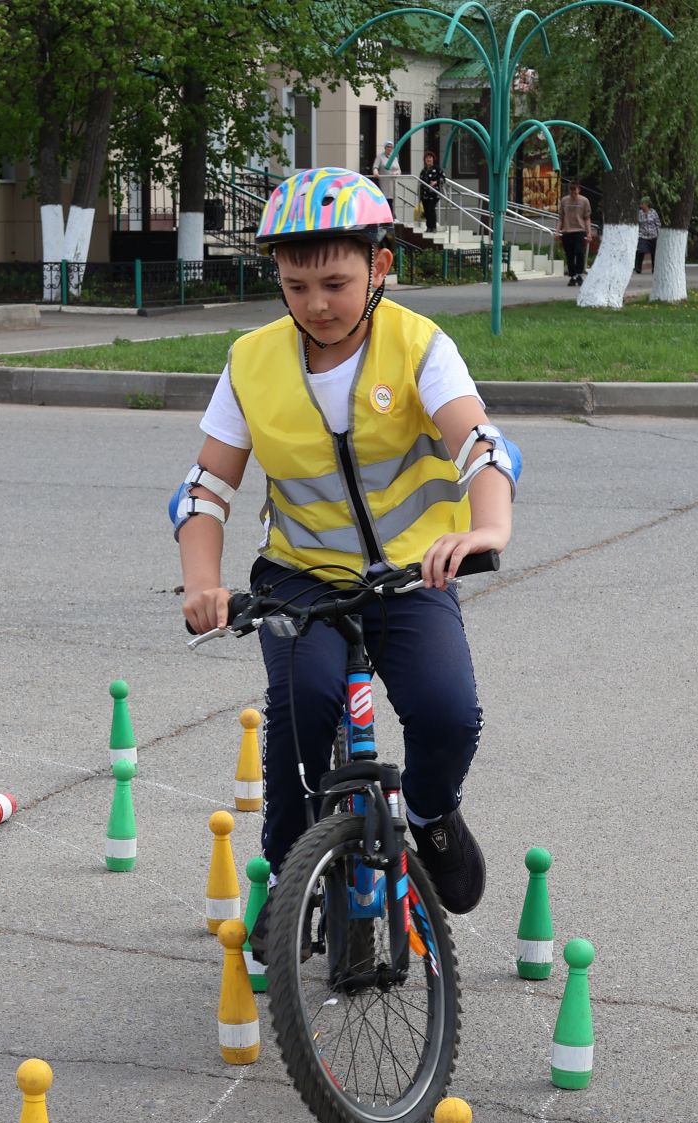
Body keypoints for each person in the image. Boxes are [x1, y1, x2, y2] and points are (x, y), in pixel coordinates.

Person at [171, 167, 520, 953]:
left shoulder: (420, 346)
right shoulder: (251, 361)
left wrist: (487, 528)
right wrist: (203, 582)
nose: (317, 304)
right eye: (296, 286)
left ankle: (430, 818)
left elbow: (480, 444)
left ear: (380, 268)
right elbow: (203, 491)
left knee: (446, 715)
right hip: (300, 580)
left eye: (336, 281)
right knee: (303, 716)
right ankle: (293, 879)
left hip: (409, 573)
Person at [557, 179, 592, 286]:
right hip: (567, 231)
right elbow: (561, 218)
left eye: (575, 192)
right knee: (569, 255)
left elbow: (587, 218)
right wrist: (557, 231)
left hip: (580, 231)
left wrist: (589, 233)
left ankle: (579, 274)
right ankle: (573, 276)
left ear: (579, 190)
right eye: (571, 192)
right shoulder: (564, 201)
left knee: (580, 252)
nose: (573, 194)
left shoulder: (584, 201)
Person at [419, 150, 445, 234]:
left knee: (431, 209)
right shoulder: (423, 171)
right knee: (426, 211)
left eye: (430, 158)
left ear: (433, 159)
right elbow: (420, 182)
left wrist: (436, 182)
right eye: (427, 158)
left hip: (433, 194)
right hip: (424, 194)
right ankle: (428, 227)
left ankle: (433, 227)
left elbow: (443, 178)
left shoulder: (437, 169)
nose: (428, 160)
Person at [634, 197, 660, 274]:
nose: (641, 206)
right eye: (640, 204)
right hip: (642, 235)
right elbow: (637, 224)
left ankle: (654, 269)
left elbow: (658, 224)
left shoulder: (653, 212)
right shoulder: (639, 213)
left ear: (646, 204)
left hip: (653, 235)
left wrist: (659, 235)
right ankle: (638, 268)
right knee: (640, 251)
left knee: (654, 253)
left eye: (642, 204)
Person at [374, 142, 399, 218]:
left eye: (391, 147)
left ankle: (391, 217)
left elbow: (399, 170)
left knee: (391, 200)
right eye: (388, 147)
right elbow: (375, 167)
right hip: (384, 182)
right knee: (386, 200)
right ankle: (387, 217)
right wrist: (375, 172)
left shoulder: (394, 157)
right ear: (385, 147)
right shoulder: (380, 157)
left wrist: (396, 173)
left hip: (393, 182)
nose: (389, 148)